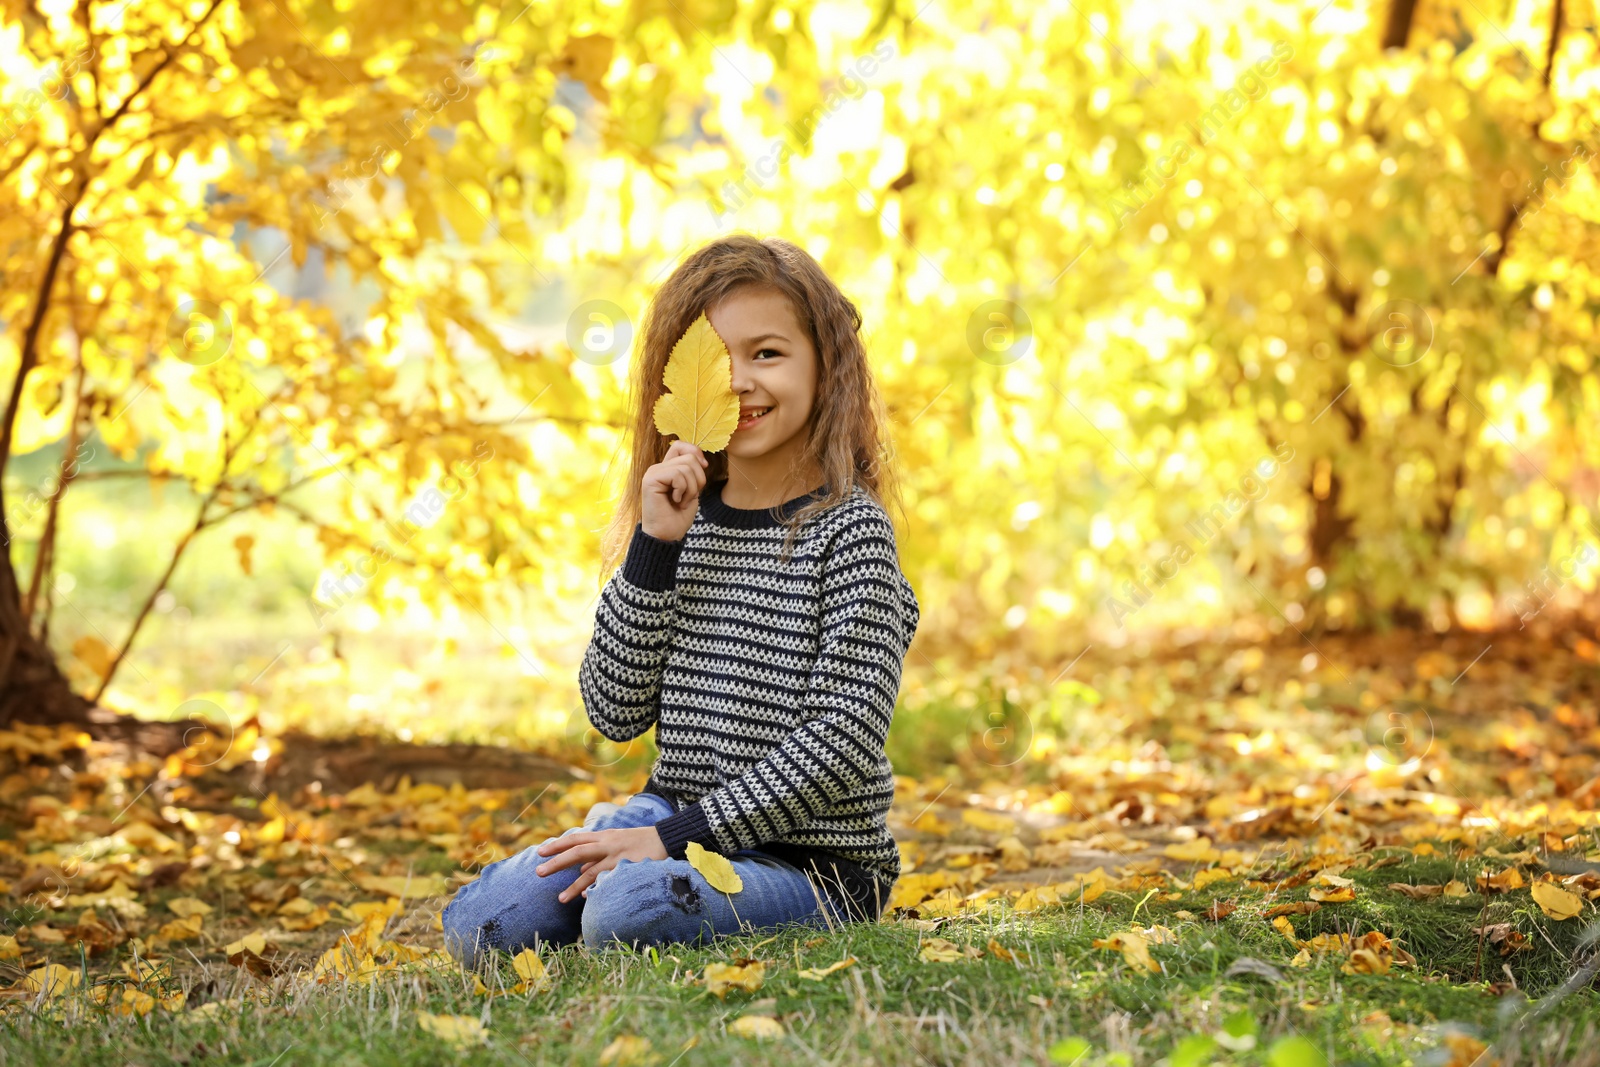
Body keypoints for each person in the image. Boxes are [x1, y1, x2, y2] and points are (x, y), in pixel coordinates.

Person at [442, 234, 920, 964]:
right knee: (484, 925)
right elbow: (613, 709)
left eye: (766, 354)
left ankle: (639, 878)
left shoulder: (851, 533)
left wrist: (668, 841)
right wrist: (655, 546)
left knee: (630, 910)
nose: (738, 382)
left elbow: (839, 745)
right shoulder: (680, 518)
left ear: (825, 367)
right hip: (669, 817)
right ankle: (627, 865)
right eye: (713, 360)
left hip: (811, 867)